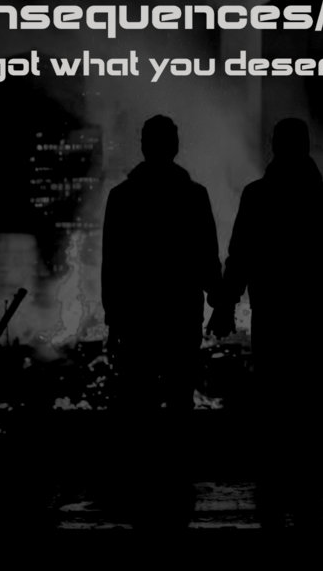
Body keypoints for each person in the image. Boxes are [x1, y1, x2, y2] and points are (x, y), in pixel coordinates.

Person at [209, 117, 323, 529]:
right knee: (309, 405)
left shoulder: (257, 196)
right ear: (306, 146)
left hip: (271, 316)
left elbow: (240, 256)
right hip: (313, 320)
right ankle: (308, 492)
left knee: (273, 405)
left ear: (275, 146)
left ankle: (273, 491)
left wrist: (225, 305)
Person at [100, 114, 223, 528]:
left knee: (139, 402)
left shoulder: (122, 197)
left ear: (144, 146)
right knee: (180, 400)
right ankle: (177, 480)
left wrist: (114, 317)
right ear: (174, 146)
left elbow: (113, 263)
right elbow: (207, 255)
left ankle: (143, 482)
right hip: (180, 314)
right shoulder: (194, 195)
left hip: (137, 317)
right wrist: (219, 301)